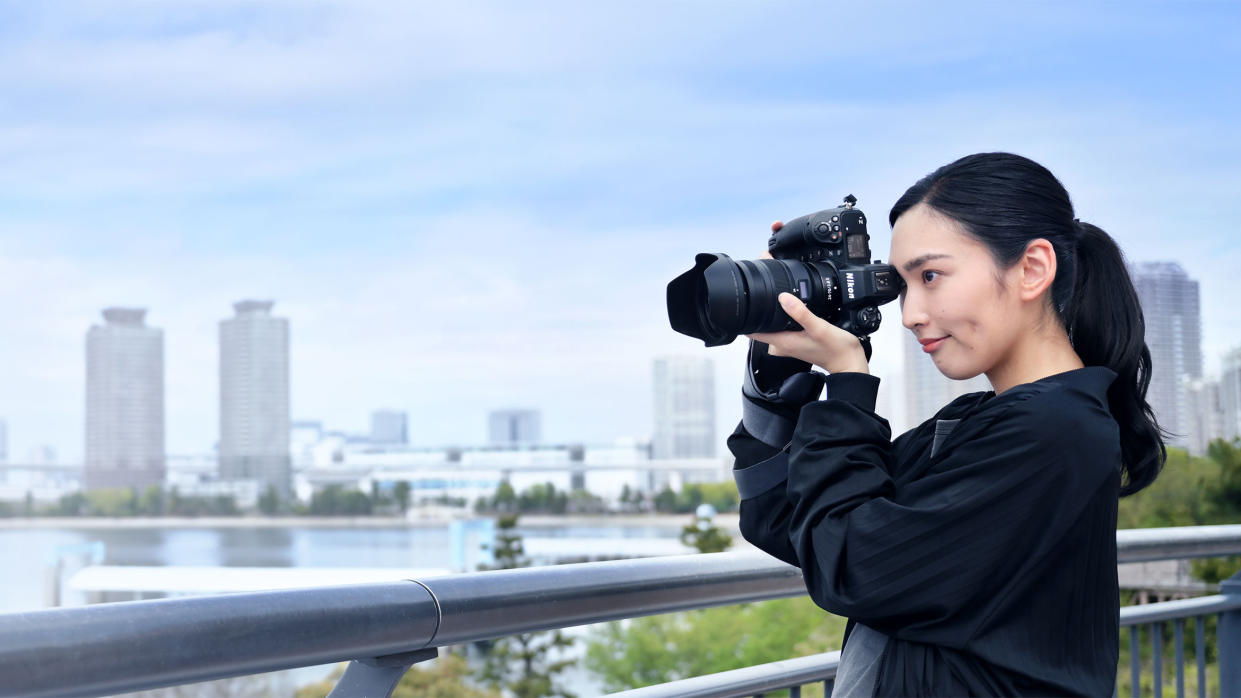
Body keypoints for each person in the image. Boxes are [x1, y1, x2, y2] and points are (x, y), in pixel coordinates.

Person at [729, 152, 1166, 697]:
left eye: (930, 276)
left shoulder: (1053, 431)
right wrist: (776, 371)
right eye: (902, 286)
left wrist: (847, 380)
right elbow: (787, 518)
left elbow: (853, 568)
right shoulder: (982, 420)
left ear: (1032, 269)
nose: (910, 313)